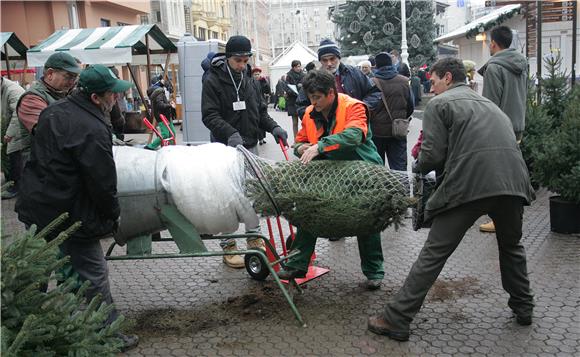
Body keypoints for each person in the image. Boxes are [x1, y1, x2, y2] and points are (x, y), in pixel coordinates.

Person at [367, 57, 535, 341]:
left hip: (470, 185)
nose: (430, 88)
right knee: (512, 246)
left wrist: (417, 166)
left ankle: (396, 318)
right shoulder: (491, 106)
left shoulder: (440, 105)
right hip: (514, 183)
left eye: (432, 81)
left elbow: (431, 155)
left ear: (447, 77)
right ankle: (524, 306)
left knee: (434, 253)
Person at [15, 64, 139, 351]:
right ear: (96, 98)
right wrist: (112, 215)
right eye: (112, 95)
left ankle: (32, 328)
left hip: (38, 206)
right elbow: (102, 183)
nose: (116, 99)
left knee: (41, 270)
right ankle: (107, 333)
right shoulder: (93, 128)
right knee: (93, 274)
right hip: (69, 215)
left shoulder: (54, 111)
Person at [276, 69, 385, 291]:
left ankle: (374, 271)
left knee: (366, 219)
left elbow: (354, 136)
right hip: (327, 172)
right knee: (311, 211)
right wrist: (301, 148)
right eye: (310, 97)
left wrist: (320, 146)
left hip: (361, 169)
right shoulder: (308, 113)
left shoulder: (354, 106)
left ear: (331, 93)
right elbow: (299, 142)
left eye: (317, 97)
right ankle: (298, 264)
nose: (313, 102)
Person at [201, 35, 288, 268]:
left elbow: (259, 112)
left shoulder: (249, 79)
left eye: (245, 60)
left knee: (253, 194)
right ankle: (229, 245)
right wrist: (229, 132)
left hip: (250, 145)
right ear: (228, 58)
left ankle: (255, 240)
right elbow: (209, 115)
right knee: (227, 197)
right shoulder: (213, 80)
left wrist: (274, 127)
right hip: (224, 147)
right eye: (238, 60)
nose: (242, 65)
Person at [478, 25, 528, 234]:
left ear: (494, 43)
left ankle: (501, 220)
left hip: (500, 129)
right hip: (518, 125)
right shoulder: (521, 64)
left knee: (498, 176)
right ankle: (511, 217)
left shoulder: (495, 67)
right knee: (512, 173)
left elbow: (490, 105)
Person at [15, 52, 81, 167]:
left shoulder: (64, 94)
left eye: (75, 78)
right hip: (39, 167)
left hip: (56, 163)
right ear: (50, 74)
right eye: (68, 77)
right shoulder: (31, 99)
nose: (72, 82)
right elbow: (49, 130)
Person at [369, 52, 414, 170]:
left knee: (377, 169)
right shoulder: (404, 81)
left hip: (376, 133)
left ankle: (380, 189)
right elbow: (411, 106)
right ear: (392, 64)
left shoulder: (371, 82)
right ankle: (400, 188)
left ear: (376, 66)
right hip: (398, 131)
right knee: (399, 168)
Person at [317, 39, 381, 112]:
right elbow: (303, 104)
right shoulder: (315, 79)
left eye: (332, 59)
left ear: (339, 58)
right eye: (325, 60)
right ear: (320, 61)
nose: (329, 63)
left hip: (355, 120)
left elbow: (374, 92)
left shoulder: (354, 73)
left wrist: (361, 108)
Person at [1, 77, 25, 199]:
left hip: (19, 129)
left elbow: (18, 114)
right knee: (6, 156)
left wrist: (9, 134)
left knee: (15, 155)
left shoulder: (13, 90)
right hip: (6, 126)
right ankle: (9, 180)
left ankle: (16, 187)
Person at [145, 82, 176, 150]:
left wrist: (168, 103)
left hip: (166, 116)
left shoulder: (158, 94)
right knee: (165, 134)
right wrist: (170, 105)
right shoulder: (159, 94)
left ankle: (172, 148)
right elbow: (160, 105)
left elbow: (161, 103)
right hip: (163, 117)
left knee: (172, 133)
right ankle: (151, 146)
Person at [286, 60, 305, 138]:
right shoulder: (289, 76)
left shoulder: (304, 75)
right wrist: (295, 89)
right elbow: (287, 88)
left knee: (305, 121)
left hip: (302, 100)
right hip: (292, 101)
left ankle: (304, 138)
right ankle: (296, 139)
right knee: (295, 122)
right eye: (296, 66)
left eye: (299, 66)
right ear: (293, 67)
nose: (298, 68)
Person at [252, 67, 271, 145]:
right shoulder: (251, 82)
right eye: (255, 74)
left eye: (258, 74)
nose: (257, 76)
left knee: (263, 120)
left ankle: (262, 137)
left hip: (262, 103)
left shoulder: (262, 81)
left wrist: (264, 82)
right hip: (254, 104)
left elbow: (267, 91)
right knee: (257, 121)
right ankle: (260, 138)